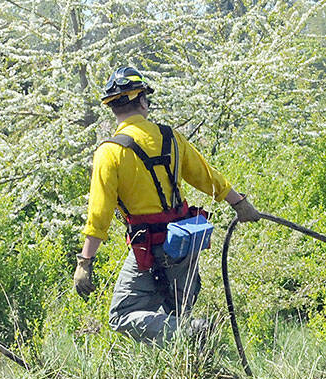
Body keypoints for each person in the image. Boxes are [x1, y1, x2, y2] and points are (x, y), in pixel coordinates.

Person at [74, 66, 260, 341]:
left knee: (123, 315)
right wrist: (240, 204)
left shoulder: (109, 152)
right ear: (142, 101)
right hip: (183, 243)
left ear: (113, 108)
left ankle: (192, 334)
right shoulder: (171, 138)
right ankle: (196, 363)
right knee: (176, 315)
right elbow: (207, 177)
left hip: (146, 249)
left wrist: (85, 261)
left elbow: (98, 216)